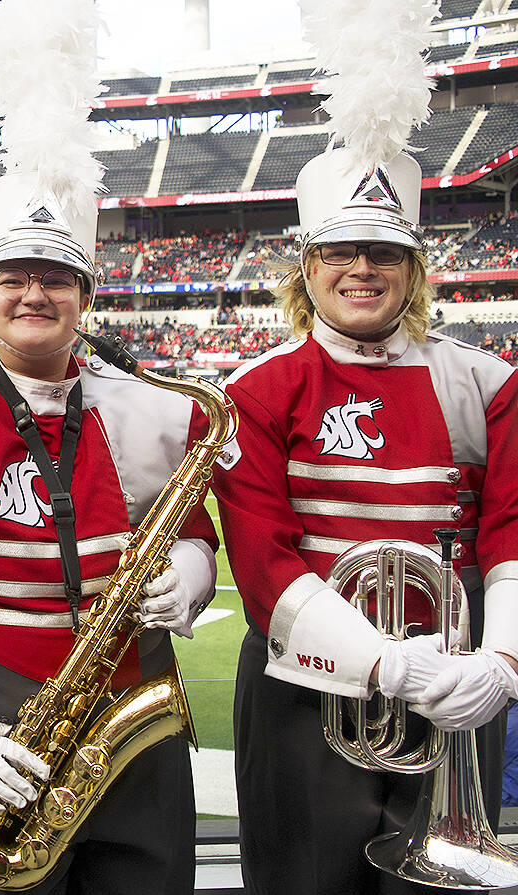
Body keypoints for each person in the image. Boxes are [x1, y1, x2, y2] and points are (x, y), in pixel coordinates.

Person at [0, 3, 217, 892]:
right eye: (13, 277)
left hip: (130, 720)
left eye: (55, 278)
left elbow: (193, 523)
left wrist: (192, 566)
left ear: (83, 293)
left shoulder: (143, 403)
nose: (35, 294)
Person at [213, 43, 518, 895]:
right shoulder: (254, 390)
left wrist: (501, 662)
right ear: (305, 268)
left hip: (457, 687)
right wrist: (384, 663)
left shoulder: (486, 383)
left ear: (413, 267)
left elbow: (511, 532)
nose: (361, 269)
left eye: (383, 252)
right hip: (301, 691)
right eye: (340, 250)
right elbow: (267, 562)